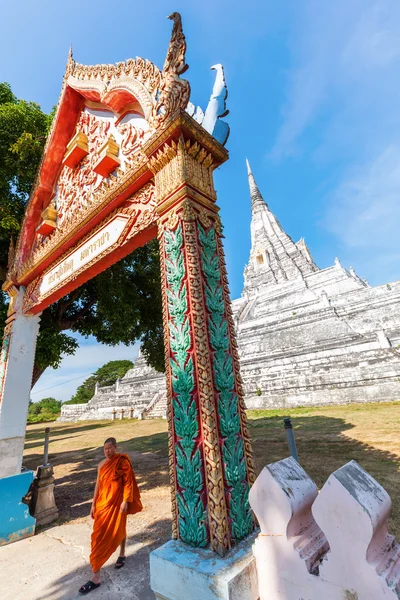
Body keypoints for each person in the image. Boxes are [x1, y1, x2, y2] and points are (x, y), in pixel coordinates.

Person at [79, 437, 143, 595]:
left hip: (117, 503)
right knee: (97, 536)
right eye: (105, 449)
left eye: (110, 448)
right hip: (103, 504)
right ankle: (96, 574)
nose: (107, 451)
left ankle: (120, 555)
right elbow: (98, 485)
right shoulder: (101, 465)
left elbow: (128, 482)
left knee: (119, 529)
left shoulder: (122, 462)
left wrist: (126, 501)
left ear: (115, 447)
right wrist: (93, 504)